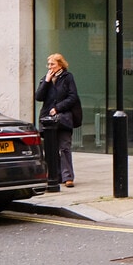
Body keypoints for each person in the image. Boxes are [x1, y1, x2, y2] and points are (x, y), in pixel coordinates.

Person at [35, 53, 80, 189]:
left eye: (53, 64)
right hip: (48, 120)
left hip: (64, 118)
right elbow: (39, 97)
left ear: (60, 64)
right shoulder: (46, 78)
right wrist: (47, 81)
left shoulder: (67, 77)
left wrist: (58, 108)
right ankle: (55, 175)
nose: (50, 67)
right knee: (51, 149)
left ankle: (68, 177)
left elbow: (73, 97)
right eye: (48, 64)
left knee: (64, 147)